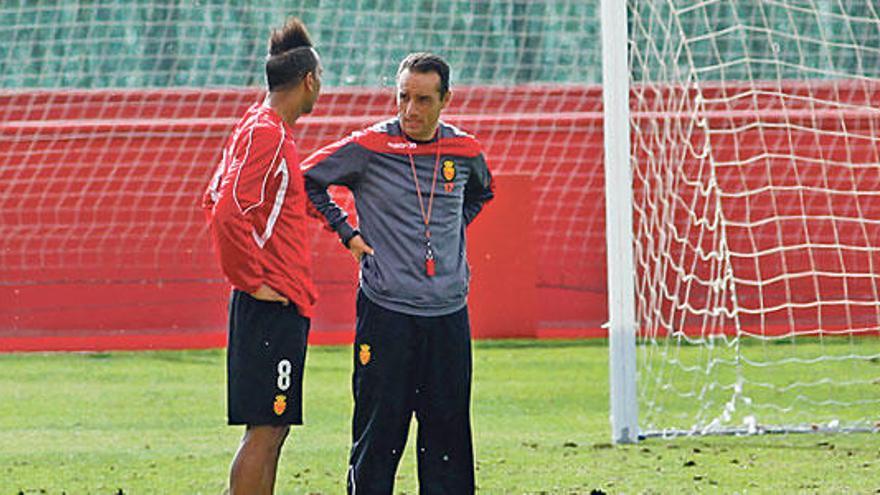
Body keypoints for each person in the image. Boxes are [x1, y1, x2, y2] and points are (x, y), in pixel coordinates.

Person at [301, 52, 494, 495]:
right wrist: (346, 232)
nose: (411, 110)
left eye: (424, 100)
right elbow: (307, 179)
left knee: (447, 432)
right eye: (403, 97)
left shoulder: (465, 151)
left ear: (446, 99)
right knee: (379, 429)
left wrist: (450, 230)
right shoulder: (369, 147)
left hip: (448, 314)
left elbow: (483, 191)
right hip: (386, 312)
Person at [202, 17, 322, 495]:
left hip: (280, 302)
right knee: (266, 428)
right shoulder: (268, 134)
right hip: (270, 303)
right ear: (309, 80)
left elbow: (216, 195)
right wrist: (252, 280)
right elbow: (226, 209)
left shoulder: (259, 128)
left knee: (274, 427)